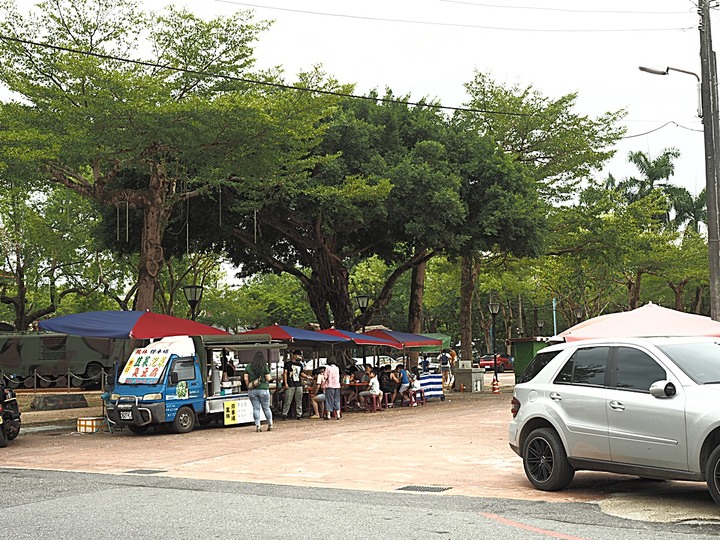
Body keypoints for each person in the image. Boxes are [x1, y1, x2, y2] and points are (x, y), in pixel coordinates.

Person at [244, 351, 273, 432]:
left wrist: (249, 386)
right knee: (266, 408)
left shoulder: (249, 366)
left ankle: (258, 426)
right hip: (263, 389)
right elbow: (268, 378)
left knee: (256, 409)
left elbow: (246, 378)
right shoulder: (265, 366)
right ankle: (270, 424)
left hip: (252, 390)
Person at [281, 350, 310, 420]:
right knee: (288, 400)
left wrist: (307, 377)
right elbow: (285, 373)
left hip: (298, 383)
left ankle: (299, 414)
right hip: (290, 384)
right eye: (298, 355)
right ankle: (284, 414)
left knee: (299, 400)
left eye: (299, 356)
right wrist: (286, 383)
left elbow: (301, 373)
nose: (299, 357)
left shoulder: (300, 365)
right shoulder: (288, 364)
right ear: (294, 355)